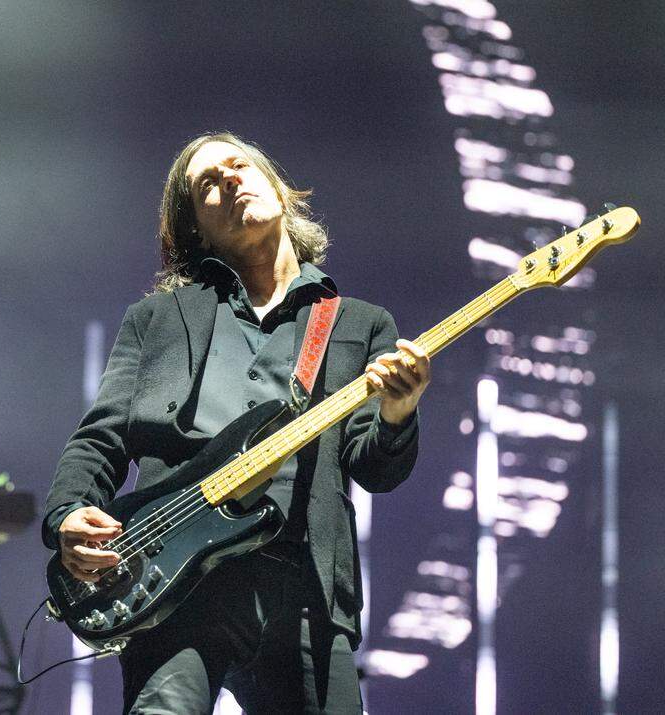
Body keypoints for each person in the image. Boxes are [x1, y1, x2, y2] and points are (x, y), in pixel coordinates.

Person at [42, 133, 431, 714]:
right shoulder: (157, 320)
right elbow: (102, 438)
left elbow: (373, 467)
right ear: (195, 228)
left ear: (276, 187)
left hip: (306, 585)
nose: (228, 180)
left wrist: (398, 413)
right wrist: (68, 513)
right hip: (176, 582)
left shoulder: (358, 323)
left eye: (238, 166)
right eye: (207, 184)